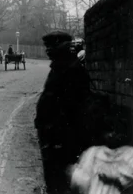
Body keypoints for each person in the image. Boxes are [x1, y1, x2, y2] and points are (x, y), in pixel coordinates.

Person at [35, 31, 92, 194]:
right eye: (46, 47)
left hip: (61, 138)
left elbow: (73, 107)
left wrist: (56, 135)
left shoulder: (71, 69)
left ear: (62, 46)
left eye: (51, 46)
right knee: (55, 180)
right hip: (53, 136)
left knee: (59, 181)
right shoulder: (60, 67)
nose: (47, 51)